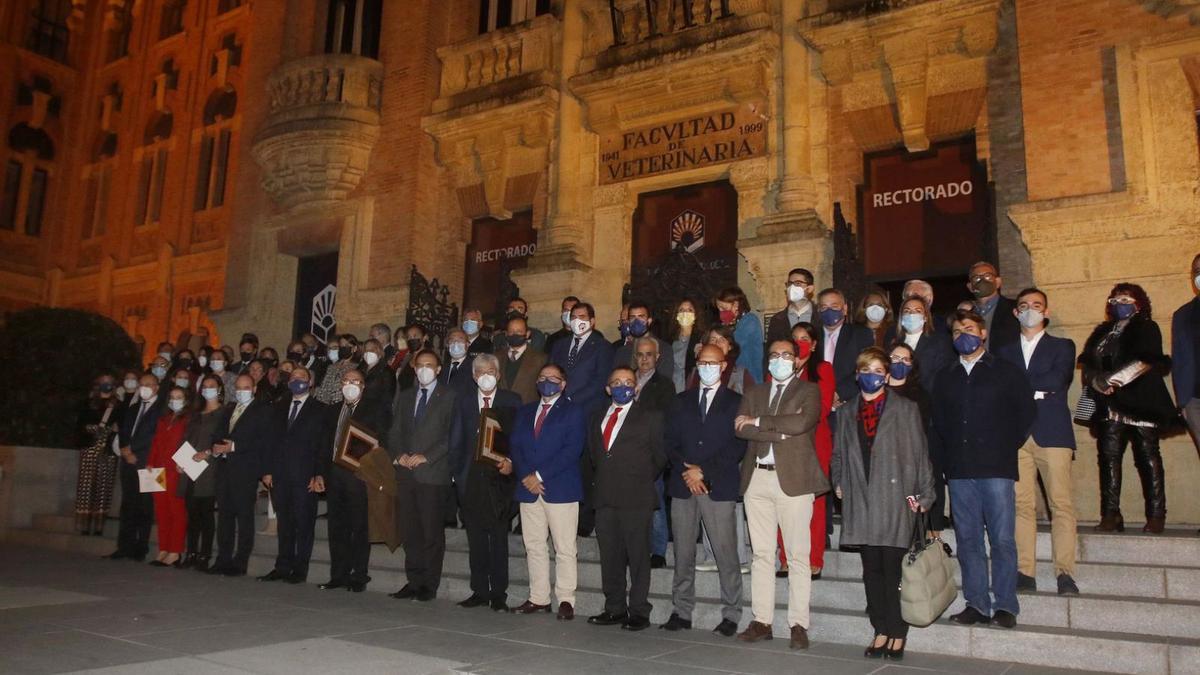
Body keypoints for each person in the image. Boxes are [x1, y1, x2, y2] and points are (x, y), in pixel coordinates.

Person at [932, 309, 1035, 629]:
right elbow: (938, 421)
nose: (963, 335)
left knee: (1002, 538)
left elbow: (1026, 413)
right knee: (968, 539)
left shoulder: (1006, 371)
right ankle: (976, 603)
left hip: (996, 468)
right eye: (956, 332)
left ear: (983, 332)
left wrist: (1003, 446)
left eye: (969, 329)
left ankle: (1005, 604)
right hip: (960, 470)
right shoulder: (945, 375)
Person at [832, 347, 935, 661]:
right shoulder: (847, 411)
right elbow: (838, 454)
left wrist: (925, 494)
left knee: (893, 570)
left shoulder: (904, 408)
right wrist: (838, 480)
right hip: (860, 499)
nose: (872, 375)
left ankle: (897, 631)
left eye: (878, 369)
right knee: (871, 571)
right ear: (857, 373)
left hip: (894, 498)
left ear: (886, 374)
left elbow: (919, 453)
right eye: (866, 369)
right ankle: (880, 629)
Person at [735, 340, 828, 650]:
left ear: (797, 360)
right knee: (761, 555)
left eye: (786, 355)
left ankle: (798, 624)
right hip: (756, 480)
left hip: (795, 480)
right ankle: (762, 620)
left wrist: (759, 422)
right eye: (774, 355)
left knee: (798, 556)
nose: (779, 360)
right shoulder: (755, 391)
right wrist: (779, 432)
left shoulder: (809, 391)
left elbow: (804, 422)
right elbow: (739, 429)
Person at [995, 288, 1080, 595]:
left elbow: (1058, 381)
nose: (1030, 309)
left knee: (1061, 503)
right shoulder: (1003, 351)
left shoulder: (1062, 345)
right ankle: (1025, 570)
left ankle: (1065, 572)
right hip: (1016, 434)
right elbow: (1001, 388)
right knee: (1020, 505)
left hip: (1052, 431)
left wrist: (1020, 386)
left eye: (1036, 305)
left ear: (1046, 311)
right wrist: (1032, 387)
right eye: (1023, 306)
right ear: (1015, 313)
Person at [661, 344, 746, 637]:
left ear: (724, 366)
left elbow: (738, 444)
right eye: (703, 362)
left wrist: (703, 470)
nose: (708, 367)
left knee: (725, 552)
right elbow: (668, 440)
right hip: (683, 485)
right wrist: (687, 470)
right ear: (696, 365)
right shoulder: (680, 401)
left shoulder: (737, 401)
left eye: (714, 362)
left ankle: (732, 613)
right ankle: (681, 611)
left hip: (718, 484)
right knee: (683, 553)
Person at [1079, 283, 1178, 534]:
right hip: (1108, 406)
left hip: (1141, 401)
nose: (1119, 303)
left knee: (1148, 457)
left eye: (1125, 299)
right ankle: (1111, 514)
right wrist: (1095, 380)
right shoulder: (1103, 332)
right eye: (1115, 299)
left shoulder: (1147, 327)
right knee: (1108, 458)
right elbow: (1089, 362)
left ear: (1138, 303)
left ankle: (1156, 514)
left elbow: (1146, 360)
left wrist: (1111, 380)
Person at [584, 367, 666, 631]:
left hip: (637, 496)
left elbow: (660, 457)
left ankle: (640, 610)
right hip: (605, 495)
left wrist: (637, 478)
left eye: (628, 382)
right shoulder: (596, 416)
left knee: (639, 556)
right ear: (608, 388)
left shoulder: (651, 416)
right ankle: (614, 608)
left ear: (636, 388)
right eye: (616, 382)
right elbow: (596, 455)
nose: (623, 386)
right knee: (610, 556)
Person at [510, 363, 586, 621]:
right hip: (528, 489)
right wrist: (526, 476)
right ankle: (538, 597)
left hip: (560, 487)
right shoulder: (525, 411)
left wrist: (539, 476)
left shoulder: (573, 411)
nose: (547, 382)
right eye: (542, 378)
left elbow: (572, 449)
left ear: (563, 384)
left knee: (564, 547)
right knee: (534, 546)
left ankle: (566, 599)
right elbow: (516, 447)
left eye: (553, 378)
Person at [387, 349, 458, 601]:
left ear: (439, 369)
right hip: (406, 474)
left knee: (431, 532)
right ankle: (413, 580)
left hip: (433, 473)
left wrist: (427, 456)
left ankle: (429, 583)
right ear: (414, 369)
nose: (424, 369)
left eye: (429, 365)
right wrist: (398, 455)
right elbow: (394, 430)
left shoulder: (450, 396)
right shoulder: (405, 396)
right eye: (420, 365)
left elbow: (452, 434)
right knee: (410, 531)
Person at [450, 354, 520, 611]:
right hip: (471, 478)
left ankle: (498, 593)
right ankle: (479, 590)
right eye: (480, 371)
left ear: (499, 375)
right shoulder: (464, 401)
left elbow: (517, 438)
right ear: (473, 376)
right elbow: (456, 438)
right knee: (476, 538)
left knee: (498, 539)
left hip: (499, 478)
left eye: (490, 371)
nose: (485, 375)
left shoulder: (511, 400)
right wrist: (457, 476)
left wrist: (511, 463)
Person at [259, 367, 334, 584]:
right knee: (285, 523)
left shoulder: (321, 409)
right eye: (293, 378)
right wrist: (267, 470)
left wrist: (319, 474)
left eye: (302, 377)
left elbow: (323, 445)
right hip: (280, 474)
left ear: (311, 382)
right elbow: (270, 440)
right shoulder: (278, 406)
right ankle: (282, 566)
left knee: (304, 523)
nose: (297, 380)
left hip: (305, 474)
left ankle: (300, 569)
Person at [321, 368, 390, 593]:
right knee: (336, 526)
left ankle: (359, 575)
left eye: (356, 381)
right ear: (341, 385)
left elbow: (382, 439)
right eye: (347, 381)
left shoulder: (374, 408)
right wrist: (320, 473)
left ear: (363, 386)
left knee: (360, 526)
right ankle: (337, 574)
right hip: (334, 473)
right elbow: (322, 444)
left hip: (360, 474)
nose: (351, 384)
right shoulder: (332, 411)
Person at [208, 374, 277, 577]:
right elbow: (217, 433)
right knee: (225, 517)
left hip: (245, 470)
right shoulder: (229, 408)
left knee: (244, 516)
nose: (241, 391)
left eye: (246, 387)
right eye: (238, 388)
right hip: (224, 469)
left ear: (254, 389)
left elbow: (263, 441)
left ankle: (240, 561)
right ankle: (223, 558)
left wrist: (234, 446)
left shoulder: (263, 411)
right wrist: (215, 446)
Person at [785, 322, 835, 580]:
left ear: (814, 344)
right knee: (784, 500)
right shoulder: (779, 368)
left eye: (805, 338)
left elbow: (823, 408)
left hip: (815, 443)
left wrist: (791, 415)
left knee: (815, 502)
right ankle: (785, 558)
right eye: (795, 338)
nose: (799, 343)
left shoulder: (822, 369)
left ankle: (814, 558)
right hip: (784, 444)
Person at [886, 343, 947, 541]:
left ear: (912, 365)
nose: (899, 363)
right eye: (895, 358)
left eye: (905, 359)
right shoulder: (875, 391)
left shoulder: (919, 395)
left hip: (908, 464)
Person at [107, 373, 165, 561]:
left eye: (149, 384)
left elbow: (156, 438)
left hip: (149, 463)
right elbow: (124, 432)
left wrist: (135, 454)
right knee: (128, 505)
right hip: (128, 463)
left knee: (145, 506)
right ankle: (124, 546)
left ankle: (141, 547)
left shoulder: (162, 410)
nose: (144, 387)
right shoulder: (132, 409)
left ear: (157, 387)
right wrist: (125, 449)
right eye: (142, 384)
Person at [177, 375, 224, 572]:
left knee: (205, 513)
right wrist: (180, 461)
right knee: (192, 513)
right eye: (204, 386)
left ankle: (205, 554)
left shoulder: (224, 413)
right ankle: (191, 553)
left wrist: (207, 453)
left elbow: (223, 440)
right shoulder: (195, 414)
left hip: (209, 467)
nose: (208, 389)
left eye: (212, 386)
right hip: (190, 467)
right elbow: (186, 439)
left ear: (220, 389)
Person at [147, 386, 192, 567]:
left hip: (176, 470)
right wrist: (150, 462)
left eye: (179, 397)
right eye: (172, 397)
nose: (175, 400)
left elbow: (190, 443)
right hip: (158, 470)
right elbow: (156, 442)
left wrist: (185, 463)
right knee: (161, 511)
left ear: (186, 400)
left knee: (177, 511)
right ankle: (163, 548)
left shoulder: (188, 420)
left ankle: (175, 551)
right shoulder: (164, 419)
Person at [75, 374, 121, 535]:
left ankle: (99, 525)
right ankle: (84, 524)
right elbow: (80, 425)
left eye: (109, 383)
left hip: (107, 450)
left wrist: (110, 431)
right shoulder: (88, 403)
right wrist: (95, 429)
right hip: (89, 447)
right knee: (86, 486)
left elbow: (120, 426)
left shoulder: (117, 405)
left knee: (104, 486)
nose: (106, 385)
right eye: (103, 382)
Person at [816, 288, 875, 407]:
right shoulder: (812, 336)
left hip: (848, 404)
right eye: (824, 307)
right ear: (818, 310)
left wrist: (839, 393)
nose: (829, 311)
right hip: (816, 404)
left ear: (845, 309)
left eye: (834, 306)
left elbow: (866, 369)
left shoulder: (861, 334)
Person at [892, 296, 954, 395]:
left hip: (927, 400)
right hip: (898, 401)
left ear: (925, 317)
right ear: (901, 317)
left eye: (918, 311)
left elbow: (942, 377)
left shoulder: (940, 341)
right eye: (907, 311)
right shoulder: (894, 343)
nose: (912, 314)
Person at [1173, 253, 1200, 463]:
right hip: (1195, 401)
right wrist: (1183, 402)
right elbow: (1180, 359)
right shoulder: (1182, 314)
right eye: (1197, 271)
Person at [613, 300, 673, 382]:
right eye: (632, 317)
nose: (636, 321)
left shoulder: (664, 349)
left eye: (641, 317)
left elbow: (664, 381)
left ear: (649, 321)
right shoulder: (621, 352)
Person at [967, 261, 1020, 353]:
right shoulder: (965, 313)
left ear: (998, 282)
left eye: (988, 276)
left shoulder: (1015, 309)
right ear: (970, 287)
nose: (982, 280)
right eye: (976, 278)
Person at [686, 326, 755, 394]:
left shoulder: (741, 374)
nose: (717, 343)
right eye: (713, 339)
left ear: (730, 346)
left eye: (722, 340)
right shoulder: (695, 372)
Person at [497, 314, 548, 404]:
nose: (515, 334)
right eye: (511, 331)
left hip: (527, 412)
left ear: (527, 334)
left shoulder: (541, 359)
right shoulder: (496, 357)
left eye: (519, 331)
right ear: (506, 334)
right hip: (499, 412)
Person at [716, 287, 763, 383]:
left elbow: (733, 345)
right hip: (733, 377)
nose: (721, 312)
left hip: (749, 376)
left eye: (724, 308)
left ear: (736, 305)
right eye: (719, 309)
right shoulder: (731, 323)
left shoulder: (750, 320)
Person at [667, 297, 707, 393]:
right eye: (681, 310)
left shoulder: (702, 339)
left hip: (692, 388)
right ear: (676, 315)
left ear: (695, 315)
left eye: (689, 310)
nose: (685, 313)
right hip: (671, 388)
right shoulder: (669, 340)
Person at [766, 268, 817, 344]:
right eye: (789, 284)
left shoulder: (820, 316)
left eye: (798, 283)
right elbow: (771, 348)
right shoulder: (777, 320)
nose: (792, 287)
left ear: (809, 289)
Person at [314, 334, 359, 404]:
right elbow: (323, 386)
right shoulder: (331, 367)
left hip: (340, 404)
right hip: (323, 403)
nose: (343, 348)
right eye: (341, 345)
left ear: (354, 348)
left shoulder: (356, 368)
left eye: (346, 346)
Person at [360, 338, 397, 420]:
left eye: (372, 350)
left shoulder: (387, 372)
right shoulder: (360, 369)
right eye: (366, 350)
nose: (368, 353)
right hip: (359, 412)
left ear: (380, 352)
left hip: (376, 415)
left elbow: (388, 398)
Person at [441, 328, 476, 393]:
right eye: (452, 340)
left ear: (468, 344)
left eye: (460, 339)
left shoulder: (475, 367)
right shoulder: (441, 368)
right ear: (447, 345)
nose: (456, 343)